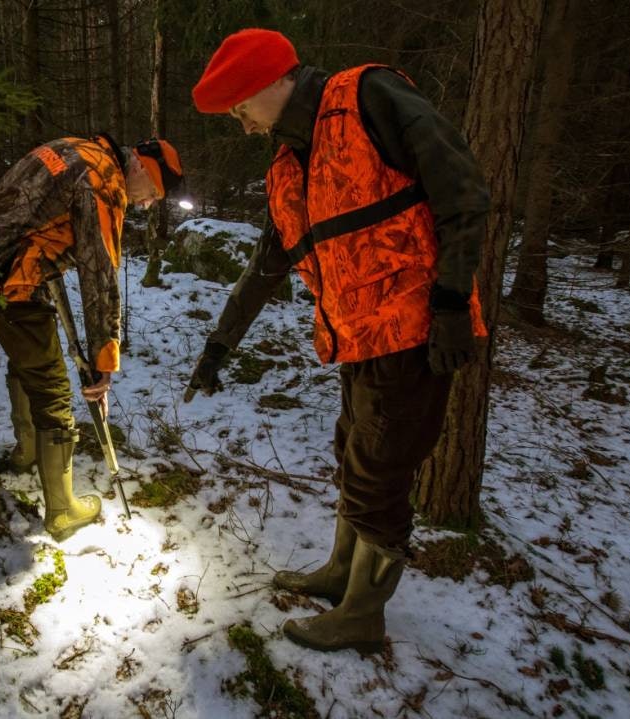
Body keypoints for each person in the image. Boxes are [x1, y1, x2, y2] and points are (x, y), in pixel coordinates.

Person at [189, 29, 489, 653]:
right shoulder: (289, 164)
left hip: (415, 330)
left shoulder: (370, 98)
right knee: (354, 452)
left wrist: (454, 304)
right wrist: (218, 349)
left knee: (381, 469)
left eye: (241, 109)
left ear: (273, 82)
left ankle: (362, 614)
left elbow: (463, 191)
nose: (243, 125)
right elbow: (265, 268)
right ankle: (339, 574)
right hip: (355, 340)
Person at [0, 133, 183, 540]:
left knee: (29, 361)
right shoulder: (102, 180)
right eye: (152, 194)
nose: (145, 205)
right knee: (54, 386)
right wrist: (103, 361)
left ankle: (26, 453)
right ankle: (62, 512)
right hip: (2, 276)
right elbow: (99, 273)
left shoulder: (75, 148)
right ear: (142, 168)